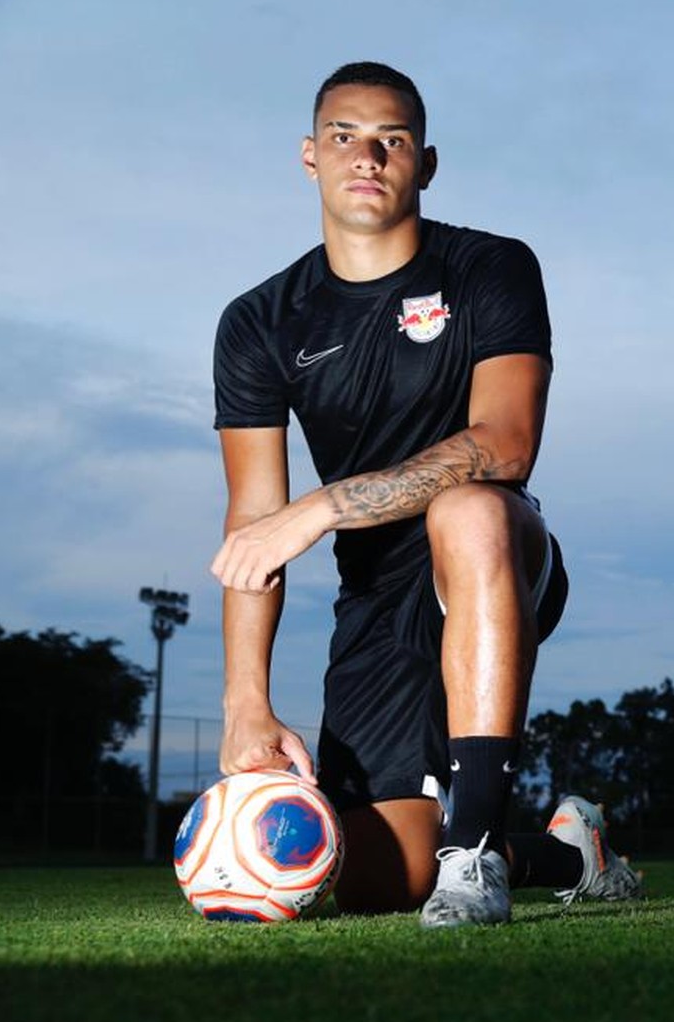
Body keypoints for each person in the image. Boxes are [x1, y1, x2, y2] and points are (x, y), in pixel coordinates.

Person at [209, 61, 641, 928]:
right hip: (374, 594)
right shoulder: (260, 321)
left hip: (497, 551)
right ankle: (567, 853)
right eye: (344, 137)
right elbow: (254, 526)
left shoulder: (491, 266)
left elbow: (507, 445)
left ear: (425, 163)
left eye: (391, 140)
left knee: (469, 506)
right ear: (309, 156)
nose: (367, 156)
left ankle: (475, 851)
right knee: (374, 880)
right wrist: (244, 703)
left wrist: (323, 507)